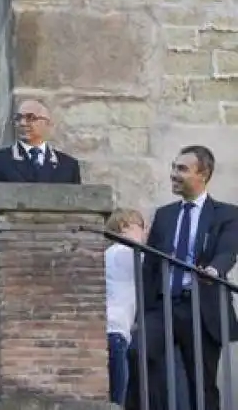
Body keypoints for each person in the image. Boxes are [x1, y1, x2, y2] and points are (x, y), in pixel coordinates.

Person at [125, 145, 238, 410]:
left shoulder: (227, 214)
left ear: (204, 174)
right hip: (163, 305)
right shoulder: (165, 214)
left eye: (182, 169)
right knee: (137, 353)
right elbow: (151, 266)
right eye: (173, 167)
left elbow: (228, 251)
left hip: (201, 307)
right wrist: (140, 312)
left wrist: (214, 270)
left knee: (202, 382)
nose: (174, 174)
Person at [0, 99, 81, 224]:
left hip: (58, 239)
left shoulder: (68, 165)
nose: (23, 123)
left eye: (30, 118)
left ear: (48, 123)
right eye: (18, 118)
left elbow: (77, 211)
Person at [104, 208, 147, 405]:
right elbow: (153, 266)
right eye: (141, 227)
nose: (145, 233)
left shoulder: (110, 254)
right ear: (123, 227)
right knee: (116, 400)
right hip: (115, 333)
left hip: (115, 331)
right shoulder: (123, 252)